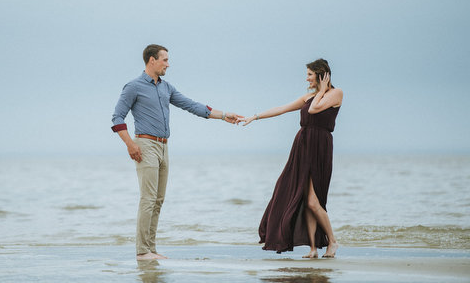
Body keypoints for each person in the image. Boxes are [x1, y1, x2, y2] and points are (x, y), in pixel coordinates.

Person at [112, 44, 241, 260]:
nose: (168, 64)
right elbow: (117, 118)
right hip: (145, 145)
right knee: (148, 198)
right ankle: (142, 251)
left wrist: (224, 115)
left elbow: (192, 105)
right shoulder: (133, 86)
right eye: (165, 60)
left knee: (158, 199)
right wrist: (130, 144)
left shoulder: (166, 87)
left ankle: (151, 249)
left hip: (164, 146)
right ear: (152, 60)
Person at [237, 59, 343, 258]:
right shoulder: (308, 97)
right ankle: (313, 249)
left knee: (313, 201)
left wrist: (321, 90)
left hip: (320, 147)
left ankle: (333, 242)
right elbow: (281, 109)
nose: (307, 78)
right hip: (302, 147)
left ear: (321, 75)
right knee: (305, 199)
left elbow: (314, 110)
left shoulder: (335, 94)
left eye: (310, 74)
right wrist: (254, 117)